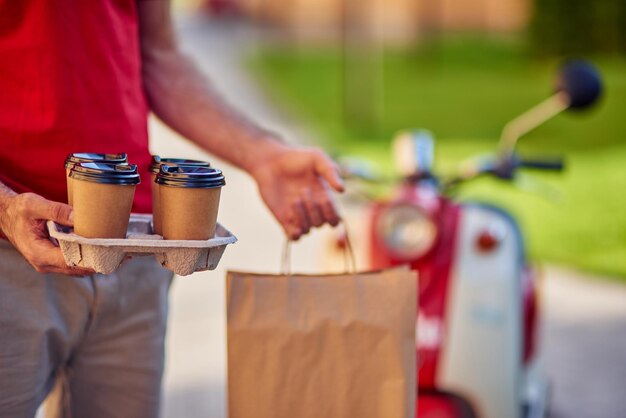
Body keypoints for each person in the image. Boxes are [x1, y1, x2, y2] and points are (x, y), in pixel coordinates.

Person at [0, 1, 343, 417]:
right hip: (10, 255)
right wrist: (5, 208)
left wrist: (263, 154)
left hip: (131, 250)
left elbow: (159, 56)